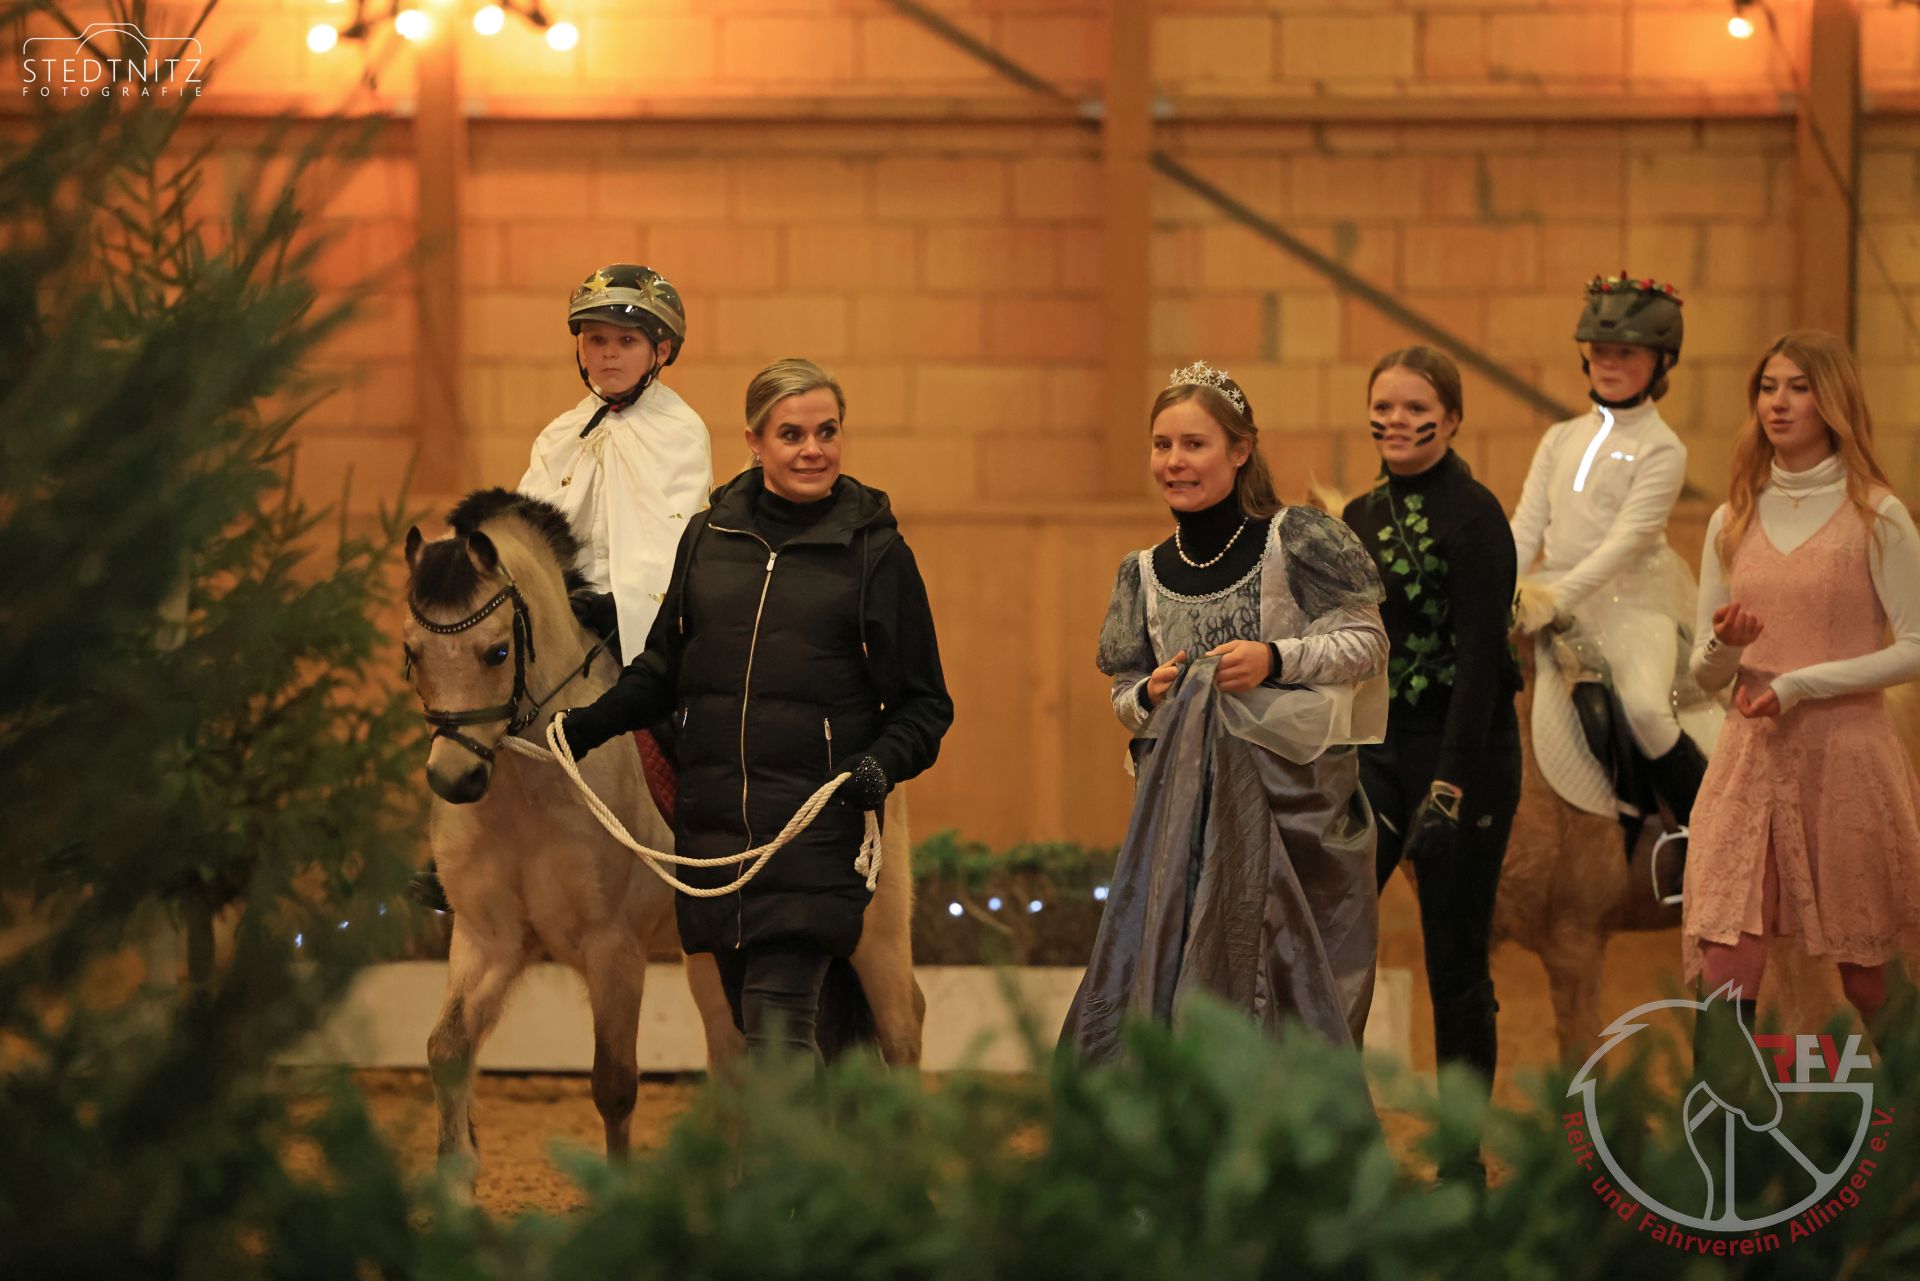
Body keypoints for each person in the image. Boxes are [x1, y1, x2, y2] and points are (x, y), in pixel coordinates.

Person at [556, 358, 954, 1061]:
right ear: (754, 441)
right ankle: (828, 1127)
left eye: (827, 432)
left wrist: (880, 764)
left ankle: (797, 1136)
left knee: (775, 1029)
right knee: (757, 1028)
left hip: (815, 831)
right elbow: (663, 670)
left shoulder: (877, 553)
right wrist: (591, 723)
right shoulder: (707, 539)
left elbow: (925, 704)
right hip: (716, 840)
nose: (813, 450)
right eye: (792, 434)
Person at [1061, 361, 1388, 1062]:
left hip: (1294, 808)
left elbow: (1367, 643)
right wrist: (1148, 696)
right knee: (1183, 982)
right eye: (1162, 445)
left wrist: (1275, 658)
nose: (1173, 461)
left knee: (1295, 994)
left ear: (1240, 451)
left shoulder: (1296, 538)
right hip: (1187, 818)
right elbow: (1123, 694)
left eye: (1194, 444)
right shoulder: (1143, 573)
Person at [409, 263, 711, 914]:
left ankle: (703, 830)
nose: (608, 354)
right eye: (595, 340)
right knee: (490, 688)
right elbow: (530, 526)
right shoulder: (559, 434)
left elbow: (672, 536)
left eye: (625, 341)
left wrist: (622, 605)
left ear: (661, 350)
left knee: (678, 707)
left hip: (643, 615)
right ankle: (466, 851)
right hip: (563, 610)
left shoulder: (680, 430)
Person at [1684, 331, 1920, 1042]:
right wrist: (1728, 643)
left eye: (1798, 387)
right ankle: (1717, 1117)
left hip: (1846, 756)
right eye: (1767, 387)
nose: (1777, 403)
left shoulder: (1878, 514)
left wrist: (1801, 685)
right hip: (1749, 755)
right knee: (1725, 957)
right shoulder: (1731, 517)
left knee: (1868, 976)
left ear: (1834, 401)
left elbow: (1915, 646)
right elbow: (1703, 672)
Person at [1341, 347, 1521, 1170]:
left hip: (1467, 753)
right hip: (1379, 750)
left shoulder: (1477, 517)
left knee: (1455, 962)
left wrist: (1449, 783)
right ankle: (1346, 1146)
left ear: (1450, 419)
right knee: (1330, 940)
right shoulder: (1357, 515)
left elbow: (1482, 661)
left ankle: (1460, 1162)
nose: (1398, 420)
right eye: (1385, 405)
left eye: (1416, 407)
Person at [1509, 272, 1707, 887]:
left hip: (1633, 599)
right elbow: (1525, 527)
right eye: (1601, 352)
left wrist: (1553, 598)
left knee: (1646, 708)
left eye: (1627, 353)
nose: (1611, 364)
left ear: (1660, 362)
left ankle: (1708, 840)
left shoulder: (1663, 448)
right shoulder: (1559, 437)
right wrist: (1501, 587)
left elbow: (1624, 545)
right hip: (1552, 591)